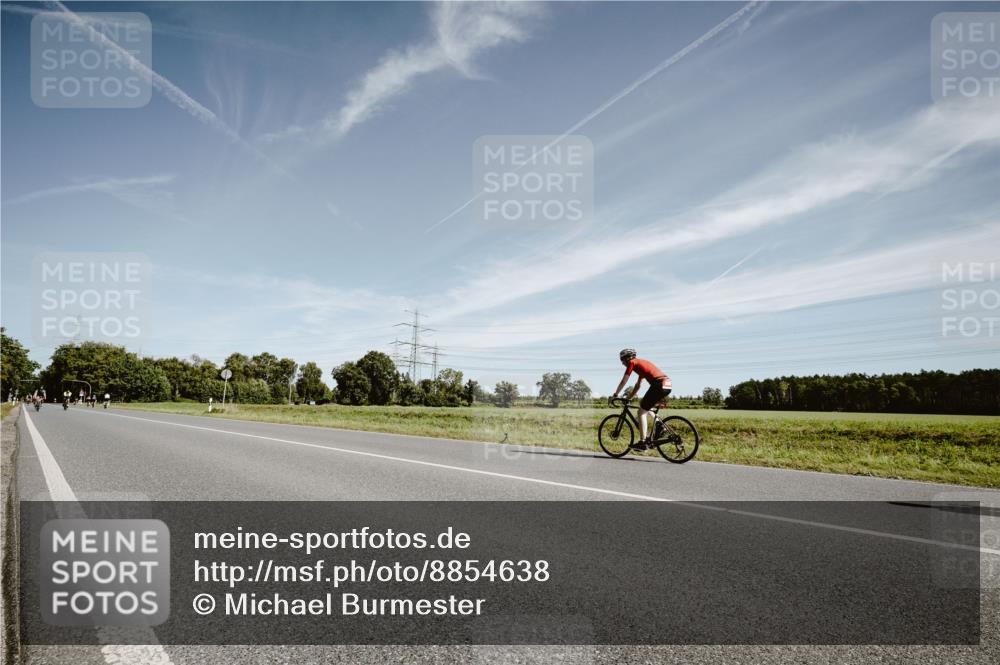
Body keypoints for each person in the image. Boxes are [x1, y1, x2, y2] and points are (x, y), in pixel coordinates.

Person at [609, 348, 672, 449]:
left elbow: (624, 381)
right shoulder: (640, 364)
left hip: (659, 384)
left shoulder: (632, 362)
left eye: (622, 360)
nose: (622, 363)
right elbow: (638, 386)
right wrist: (629, 398)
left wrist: (615, 395)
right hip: (667, 384)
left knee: (641, 412)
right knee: (645, 406)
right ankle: (660, 426)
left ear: (628, 358)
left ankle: (643, 442)